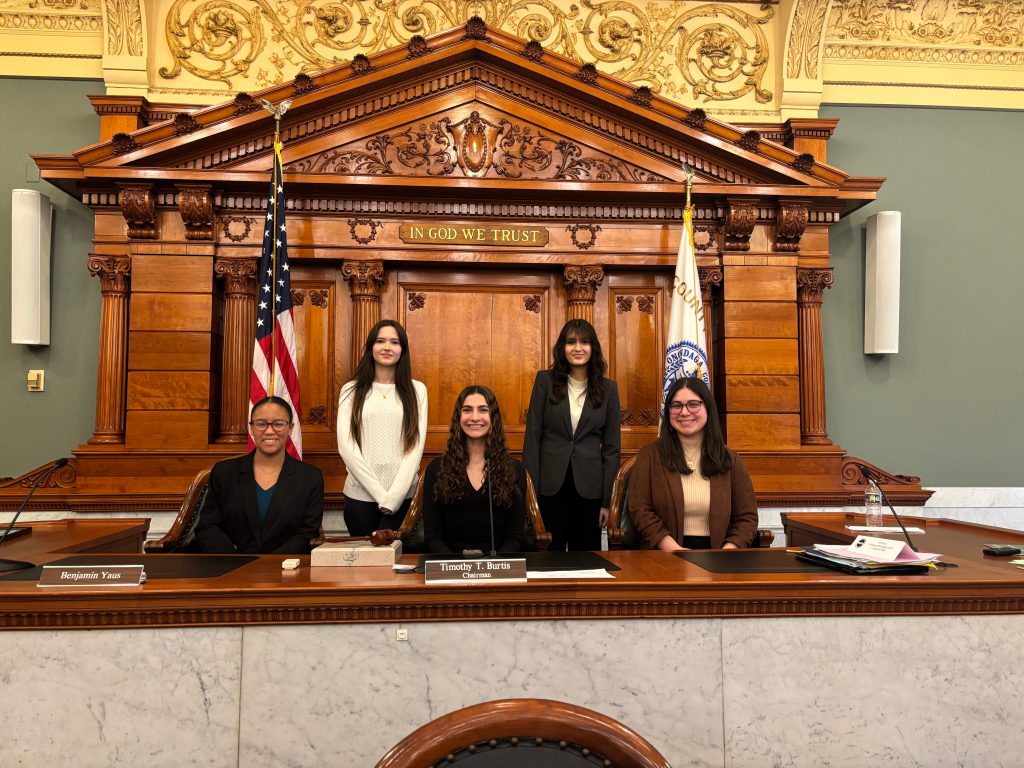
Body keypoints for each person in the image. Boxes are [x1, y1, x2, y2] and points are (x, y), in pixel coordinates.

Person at [523, 319, 621, 551]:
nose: (578, 348)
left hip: (589, 491)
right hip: (549, 488)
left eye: (584, 342)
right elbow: (532, 438)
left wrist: (607, 502)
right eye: (571, 342)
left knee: (586, 560)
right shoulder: (544, 382)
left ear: (593, 347)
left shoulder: (609, 389)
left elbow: (611, 449)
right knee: (548, 559)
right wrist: (531, 497)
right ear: (562, 348)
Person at [628, 377, 757, 550]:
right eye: (676, 405)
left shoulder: (730, 460)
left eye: (693, 404)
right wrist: (673, 550)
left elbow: (746, 518)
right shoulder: (650, 456)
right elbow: (640, 509)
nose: (684, 412)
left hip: (720, 557)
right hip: (664, 557)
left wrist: (727, 552)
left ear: (707, 408)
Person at [196, 396, 324, 554]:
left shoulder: (310, 478)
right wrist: (234, 563)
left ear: (290, 428)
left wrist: (271, 565)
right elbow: (208, 527)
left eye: (278, 424)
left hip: (286, 570)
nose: (269, 431)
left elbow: (307, 533)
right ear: (251, 428)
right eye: (261, 424)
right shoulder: (224, 473)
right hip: (231, 569)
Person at [337, 320, 428, 536]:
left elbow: (415, 446)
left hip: (403, 498)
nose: (387, 347)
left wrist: (394, 497)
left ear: (402, 350)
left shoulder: (417, 390)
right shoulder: (351, 390)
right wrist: (381, 495)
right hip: (359, 498)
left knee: (398, 566)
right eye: (380, 341)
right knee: (364, 566)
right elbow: (346, 447)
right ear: (370, 348)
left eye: (394, 342)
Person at [422, 385, 526, 554]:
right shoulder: (437, 469)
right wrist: (456, 567)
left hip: (498, 568)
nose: (475, 417)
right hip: (451, 569)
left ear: (493, 417)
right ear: (458, 417)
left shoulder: (515, 470)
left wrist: (493, 567)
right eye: (467, 410)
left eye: (483, 410)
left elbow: (514, 538)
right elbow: (433, 537)